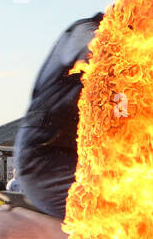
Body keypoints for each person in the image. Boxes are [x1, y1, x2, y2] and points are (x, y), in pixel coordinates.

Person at [15, 12, 103, 218]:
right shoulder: (89, 32)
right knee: (115, 209)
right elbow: (96, 51)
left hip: (68, 155)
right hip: (45, 155)